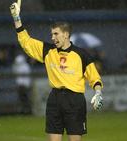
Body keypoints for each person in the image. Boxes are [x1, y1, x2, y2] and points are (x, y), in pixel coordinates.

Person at [10, 1, 103, 141]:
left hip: (75, 101)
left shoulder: (81, 54)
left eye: (56, 34)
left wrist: (98, 93)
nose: (52, 38)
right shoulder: (48, 51)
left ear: (66, 35)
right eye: (51, 34)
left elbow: (94, 78)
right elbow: (26, 42)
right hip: (55, 99)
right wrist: (17, 18)